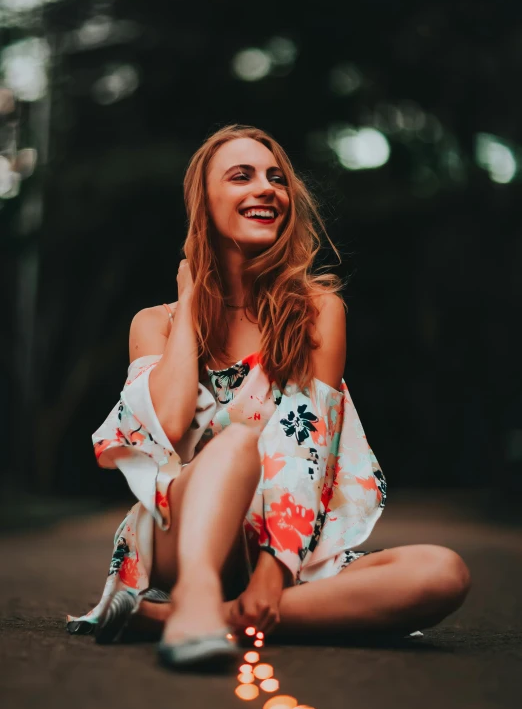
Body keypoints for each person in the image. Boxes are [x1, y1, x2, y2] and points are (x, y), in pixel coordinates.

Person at [66, 124, 471, 670]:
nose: (267, 189)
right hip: (177, 536)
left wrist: (272, 571)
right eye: (242, 176)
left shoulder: (316, 310)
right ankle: (196, 592)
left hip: (282, 546)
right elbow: (165, 422)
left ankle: (188, 615)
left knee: (442, 573)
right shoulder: (156, 323)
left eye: (276, 179)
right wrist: (189, 304)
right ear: (204, 204)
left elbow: (312, 440)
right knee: (233, 447)